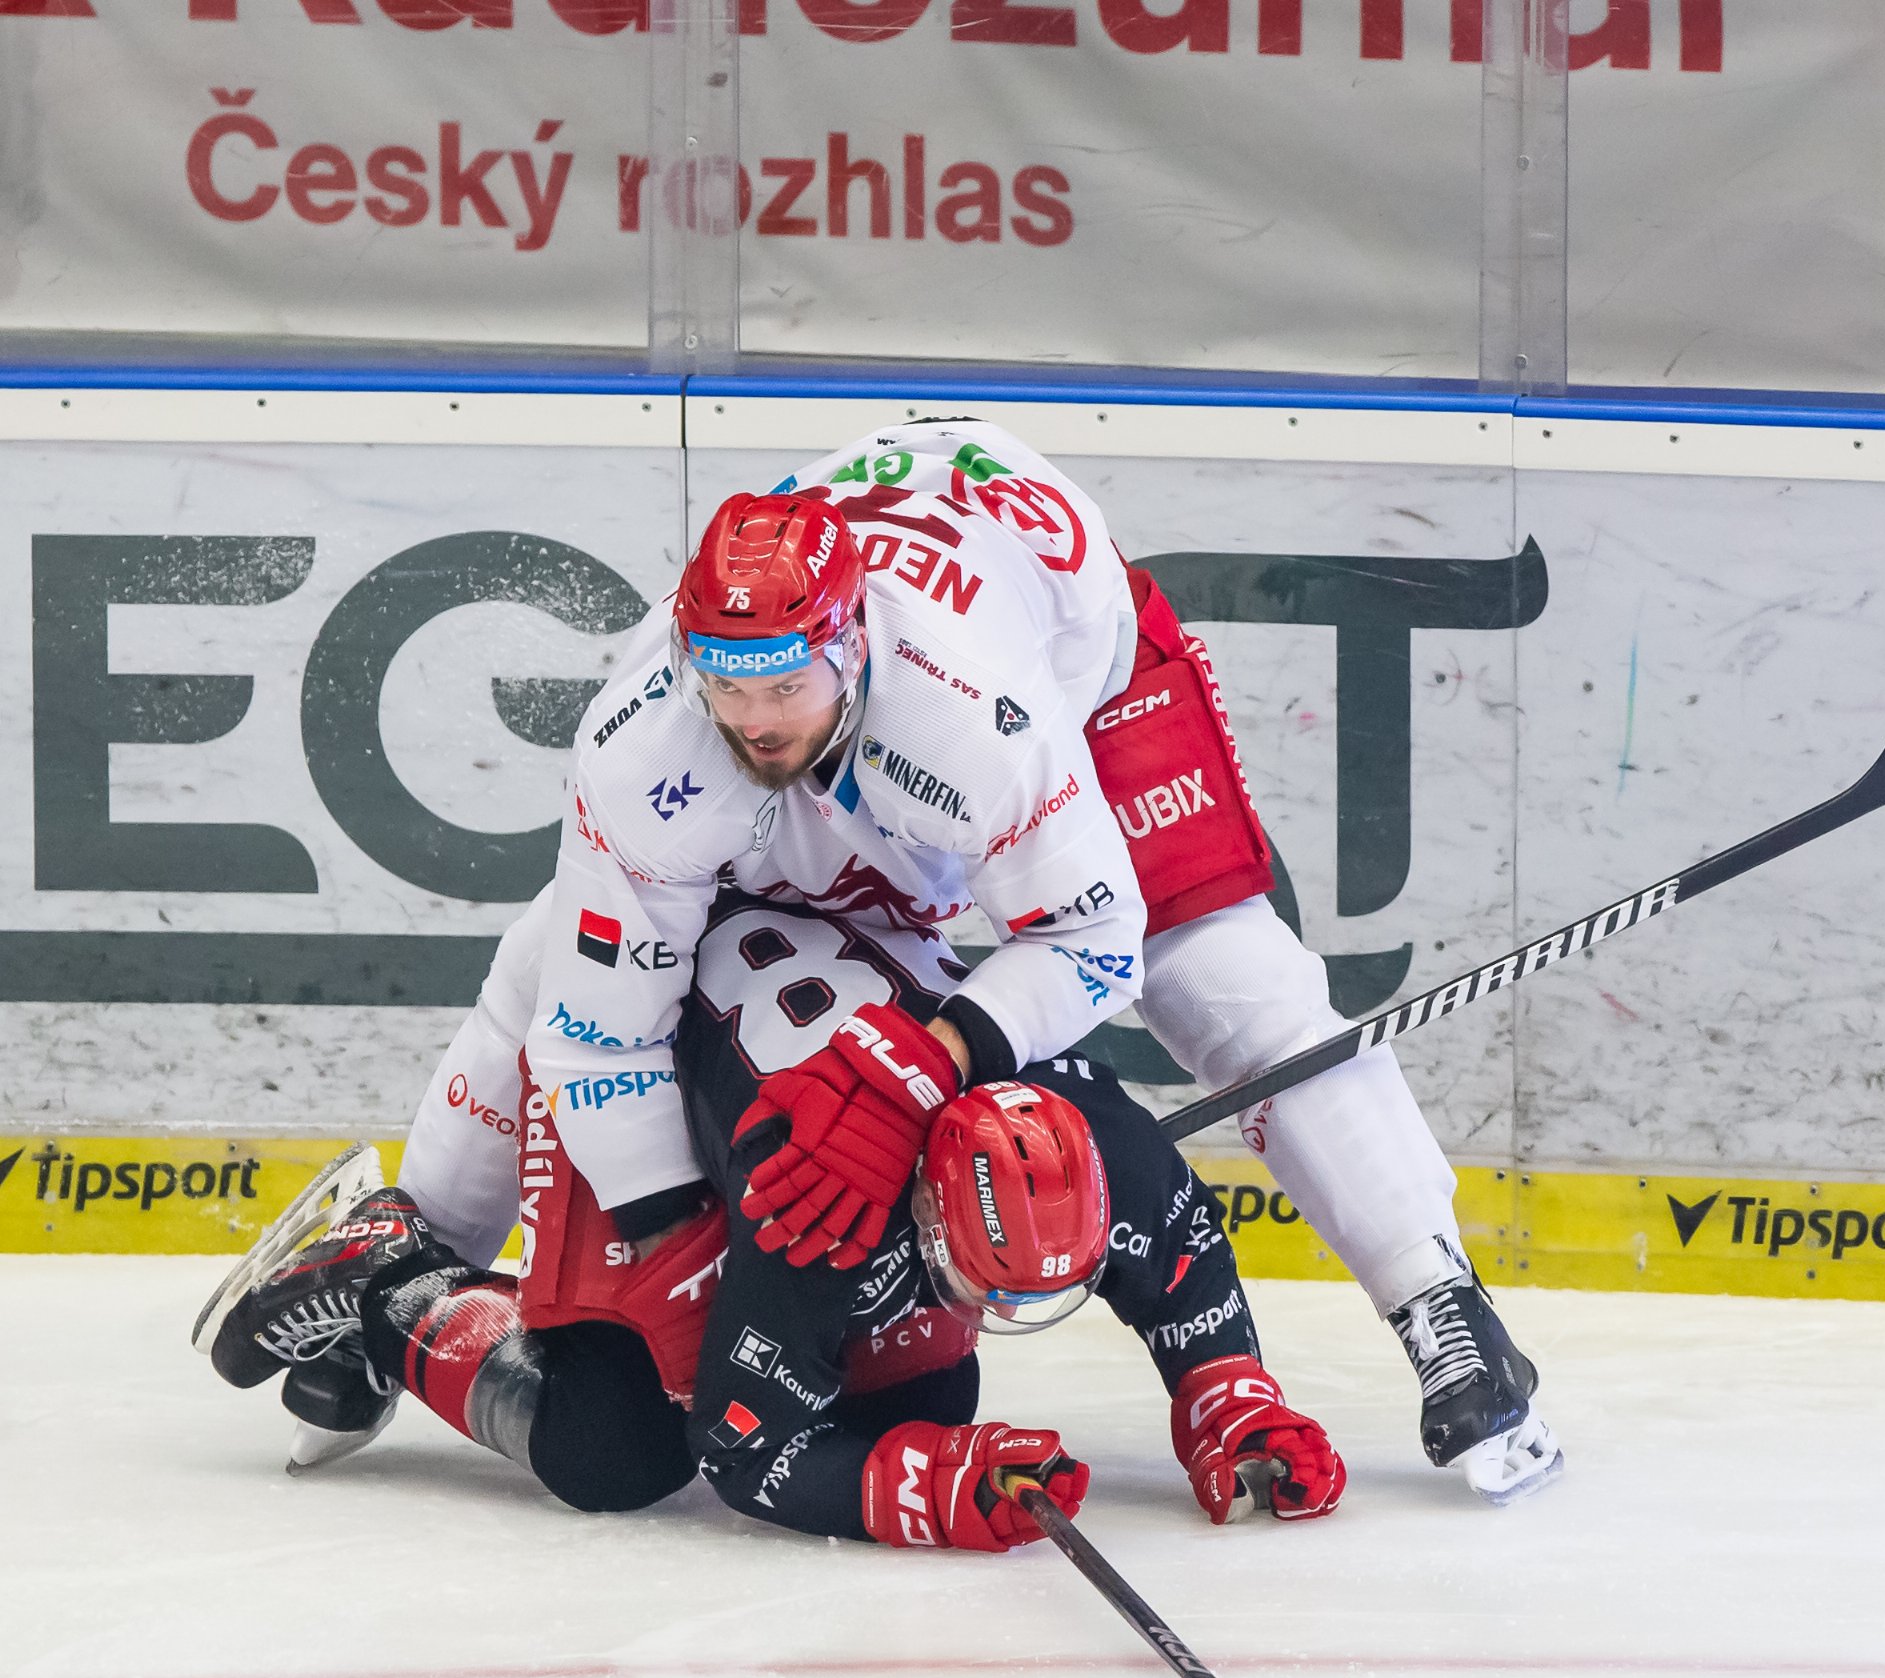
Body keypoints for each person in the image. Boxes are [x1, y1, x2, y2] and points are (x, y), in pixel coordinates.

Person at [396, 416, 1558, 1503]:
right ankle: (406, 1255)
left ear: (851, 644)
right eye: (730, 686)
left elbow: (1091, 938)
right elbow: (601, 1027)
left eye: (783, 685)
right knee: (553, 954)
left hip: (1077, 667)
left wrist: (925, 1062)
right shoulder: (652, 738)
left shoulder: (974, 713)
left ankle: (1441, 1307)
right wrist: (681, 1242)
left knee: (1222, 979)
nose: (754, 719)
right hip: (876, 668)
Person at [195, 895, 1345, 1545]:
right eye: (984, 1283)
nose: (997, 1312)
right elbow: (747, 1453)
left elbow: (1178, 1256)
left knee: (926, 1395)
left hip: (774, 974)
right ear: (924, 1214)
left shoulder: (1096, 1133)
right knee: (618, 1445)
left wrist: (1231, 1402)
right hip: (624, 1025)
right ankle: (393, 1283)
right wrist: (930, 1494)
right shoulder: (822, 1219)